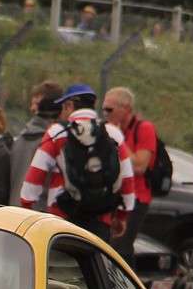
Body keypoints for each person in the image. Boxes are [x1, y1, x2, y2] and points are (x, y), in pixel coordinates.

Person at [18, 83, 135, 241]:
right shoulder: (113, 133)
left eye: (63, 107)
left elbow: (35, 175)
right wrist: (122, 216)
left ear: (70, 105)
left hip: (61, 217)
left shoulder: (57, 132)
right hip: (101, 218)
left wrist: (26, 207)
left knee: (60, 264)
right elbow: (127, 179)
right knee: (94, 263)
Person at [102, 86, 160, 260]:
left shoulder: (144, 129)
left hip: (137, 199)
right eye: (103, 109)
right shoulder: (108, 129)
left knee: (120, 249)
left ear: (125, 108)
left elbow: (140, 166)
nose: (105, 113)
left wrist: (118, 138)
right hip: (114, 196)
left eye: (109, 109)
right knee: (111, 248)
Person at [8, 80, 63, 207]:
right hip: (39, 217)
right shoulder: (54, 142)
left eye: (37, 103)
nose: (32, 108)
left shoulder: (20, 139)